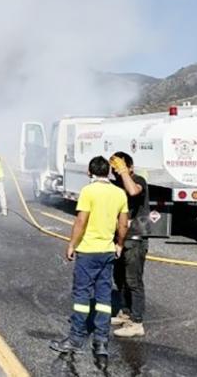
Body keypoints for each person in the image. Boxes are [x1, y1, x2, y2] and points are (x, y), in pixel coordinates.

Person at [50, 156, 128, 366]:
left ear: (89, 172)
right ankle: (101, 342)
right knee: (104, 298)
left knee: (82, 296)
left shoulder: (88, 191)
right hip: (107, 252)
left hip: (88, 252)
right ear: (109, 172)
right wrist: (119, 244)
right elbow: (123, 225)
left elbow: (81, 220)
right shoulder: (119, 193)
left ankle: (76, 339)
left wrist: (71, 244)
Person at [109, 152, 149, 338]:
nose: (116, 171)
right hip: (120, 238)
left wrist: (125, 171)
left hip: (135, 238)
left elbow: (133, 191)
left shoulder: (138, 179)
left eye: (120, 167)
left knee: (133, 280)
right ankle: (125, 313)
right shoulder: (116, 184)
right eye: (115, 168)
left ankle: (137, 322)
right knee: (120, 278)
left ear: (130, 167)